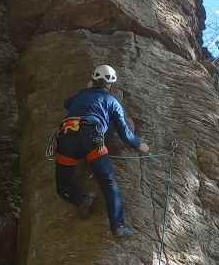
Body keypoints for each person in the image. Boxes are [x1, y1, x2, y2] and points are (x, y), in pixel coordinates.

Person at [55, 64, 149, 238]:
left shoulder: (80, 95)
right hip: (92, 137)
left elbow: (66, 103)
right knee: (108, 182)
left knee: (62, 186)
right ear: (110, 86)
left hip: (66, 138)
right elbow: (126, 134)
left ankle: (81, 198)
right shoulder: (113, 102)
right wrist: (139, 145)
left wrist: (86, 89)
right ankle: (118, 227)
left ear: (93, 80)